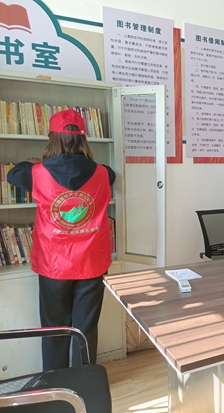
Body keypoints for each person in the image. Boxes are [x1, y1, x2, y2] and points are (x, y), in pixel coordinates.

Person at [7, 109, 115, 371]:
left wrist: (32, 162)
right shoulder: (104, 173)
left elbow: (13, 174)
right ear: (83, 138)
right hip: (91, 262)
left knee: (54, 328)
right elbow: (111, 174)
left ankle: (56, 380)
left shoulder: (35, 172)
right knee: (86, 328)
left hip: (54, 263)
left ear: (52, 138)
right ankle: (84, 381)